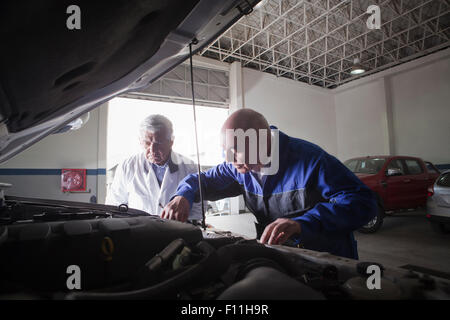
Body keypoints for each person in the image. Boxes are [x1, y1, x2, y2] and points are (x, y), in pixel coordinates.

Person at [162, 108, 377, 259]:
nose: (229, 158)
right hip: (280, 257)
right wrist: (183, 195)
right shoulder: (238, 167)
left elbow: (364, 203)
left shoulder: (311, 161)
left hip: (328, 260)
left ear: (264, 141)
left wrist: (303, 223)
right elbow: (200, 181)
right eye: (225, 149)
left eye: (235, 149)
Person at [106, 114, 202, 221]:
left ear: (171, 141)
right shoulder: (127, 166)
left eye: (159, 142)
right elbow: (114, 204)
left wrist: (184, 227)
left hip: (178, 233)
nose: (152, 150)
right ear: (139, 141)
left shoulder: (190, 168)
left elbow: (198, 209)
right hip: (138, 233)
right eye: (147, 143)